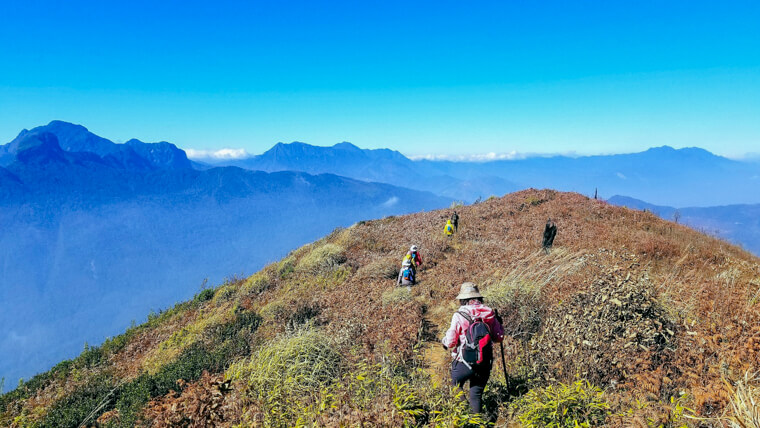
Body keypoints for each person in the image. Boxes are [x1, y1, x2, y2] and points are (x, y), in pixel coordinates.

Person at [442, 282, 504, 414]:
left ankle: (467, 416)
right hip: (485, 362)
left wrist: (444, 343)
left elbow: (451, 341)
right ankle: (476, 420)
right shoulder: (489, 314)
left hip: (464, 362)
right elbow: (499, 338)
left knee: (455, 384)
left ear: (463, 299)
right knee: (476, 394)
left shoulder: (459, 315)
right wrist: (499, 323)